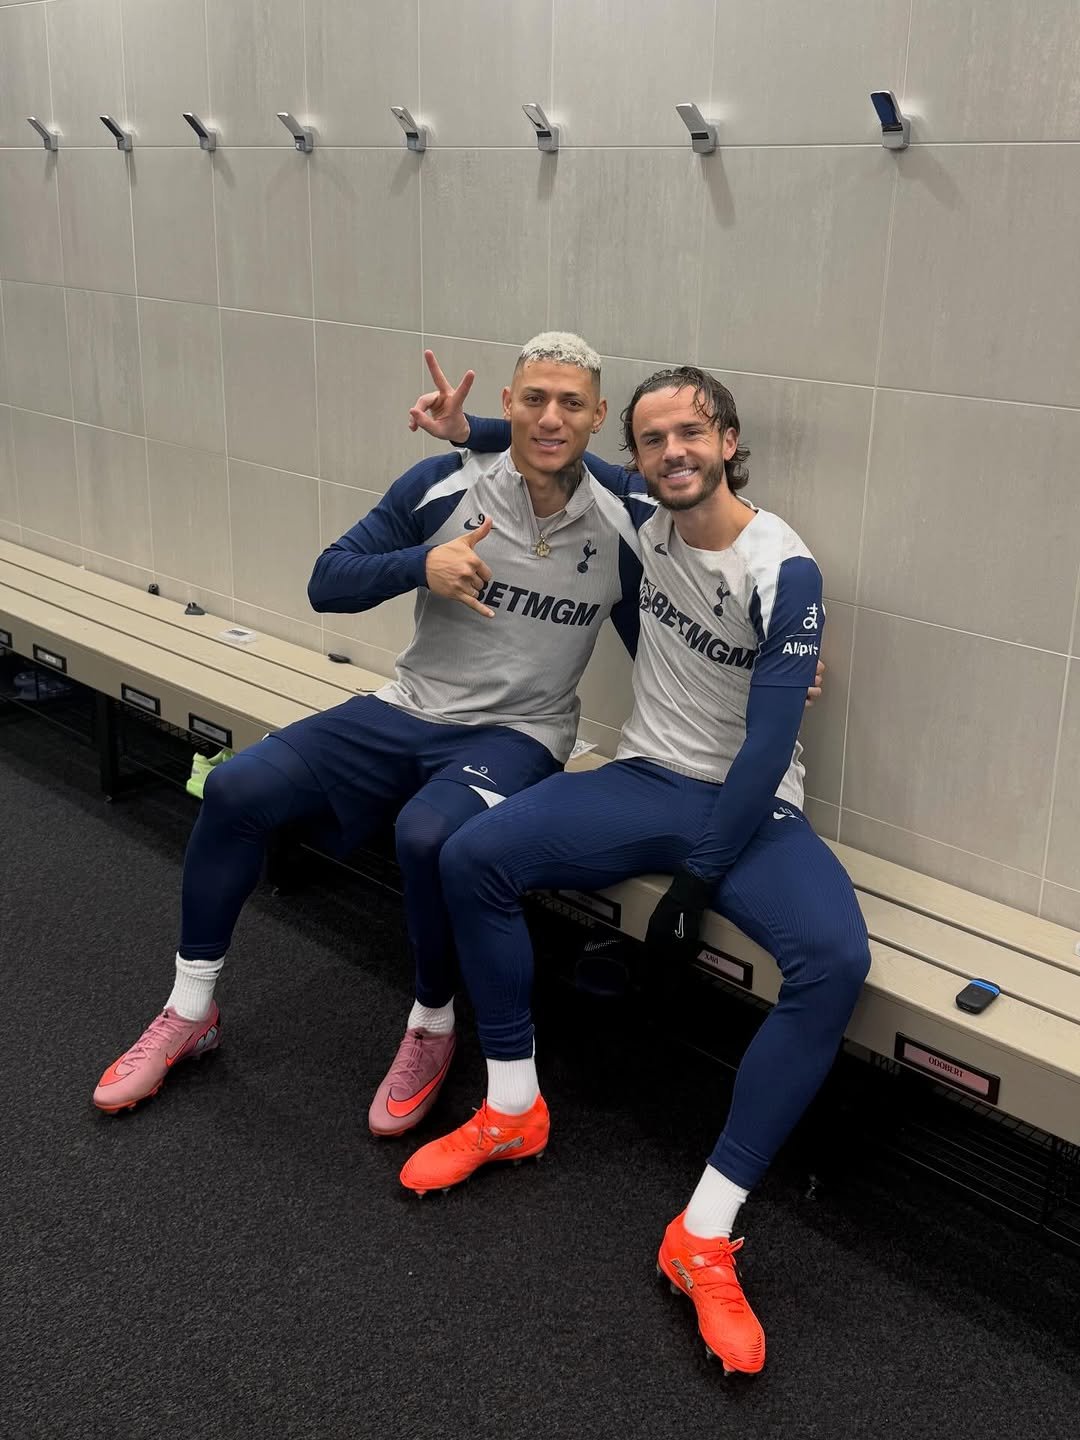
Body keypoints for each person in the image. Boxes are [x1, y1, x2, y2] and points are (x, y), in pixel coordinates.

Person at [401, 367, 871, 1376]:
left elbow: (765, 748)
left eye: (691, 434)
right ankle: (514, 1105)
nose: (672, 454)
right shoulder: (642, 513)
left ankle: (704, 1231)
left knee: (834, 960)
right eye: (653, 439)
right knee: (472, 853)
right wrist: (466, 425)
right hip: (645, 774)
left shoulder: (783, 567)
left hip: (750, 807)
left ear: (730, 439)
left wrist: (697, 888)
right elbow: (552, 443)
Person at [92, 334, 655, 1129]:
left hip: (518, 732)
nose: (551, 417)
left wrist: (768, 669)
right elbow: (328, 580)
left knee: (428, 835)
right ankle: (190, 1012)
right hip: (407, 706)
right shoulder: (443, 484)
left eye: (571, 402)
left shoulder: (626, 518)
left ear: (599, 416)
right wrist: (419, 566)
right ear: (508, 403)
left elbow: (666, 621)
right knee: (234, 786)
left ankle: (431, 1021)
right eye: (533, 399)